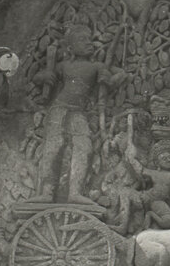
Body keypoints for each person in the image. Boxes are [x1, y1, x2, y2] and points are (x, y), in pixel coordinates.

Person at [32, 25, 128, 204]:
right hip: (58, 109)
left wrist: (109, 80)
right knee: (53, 148)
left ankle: (75, 192)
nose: (89, 42)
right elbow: (39, 78)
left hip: (78, 112)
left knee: (83, 147)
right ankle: (47, 192)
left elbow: (121, 74)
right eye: (82, 40)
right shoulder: (64, 66)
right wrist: (45, 76)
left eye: (89, 39)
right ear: (70, 48)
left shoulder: (96, 67)